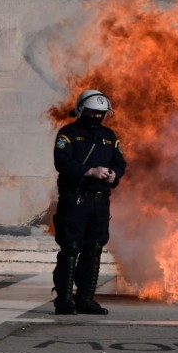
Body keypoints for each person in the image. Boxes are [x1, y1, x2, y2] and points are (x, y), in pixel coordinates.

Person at [52, 89, 126, 315]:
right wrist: (89, 171)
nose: (96, 117)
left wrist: (114, 174)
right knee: (71, 247)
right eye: (93, 112)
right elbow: (61, 161)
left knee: (94, 248)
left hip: (100, 202)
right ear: (82, 110)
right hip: (75, 199)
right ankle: (64, 300)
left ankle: (86, 299)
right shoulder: (68, 134)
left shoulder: (110, 136)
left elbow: (120, 162)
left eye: (101, 114)